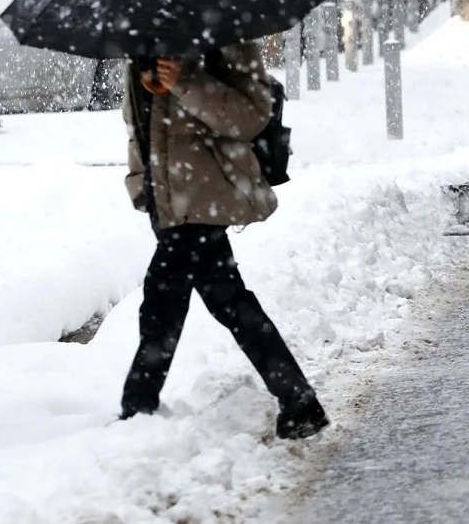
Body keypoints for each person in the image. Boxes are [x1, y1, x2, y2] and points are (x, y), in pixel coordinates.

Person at [120, 43, 329, 439]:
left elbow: (249, 117)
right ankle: (299, 400)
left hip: (205, 193)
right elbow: (138, 128)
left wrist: (186, 83)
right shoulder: (140, 38)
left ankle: (138, 406)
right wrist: (140, 184)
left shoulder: (224, 36)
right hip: (165, 199)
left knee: (162, 300)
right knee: (227, 299)